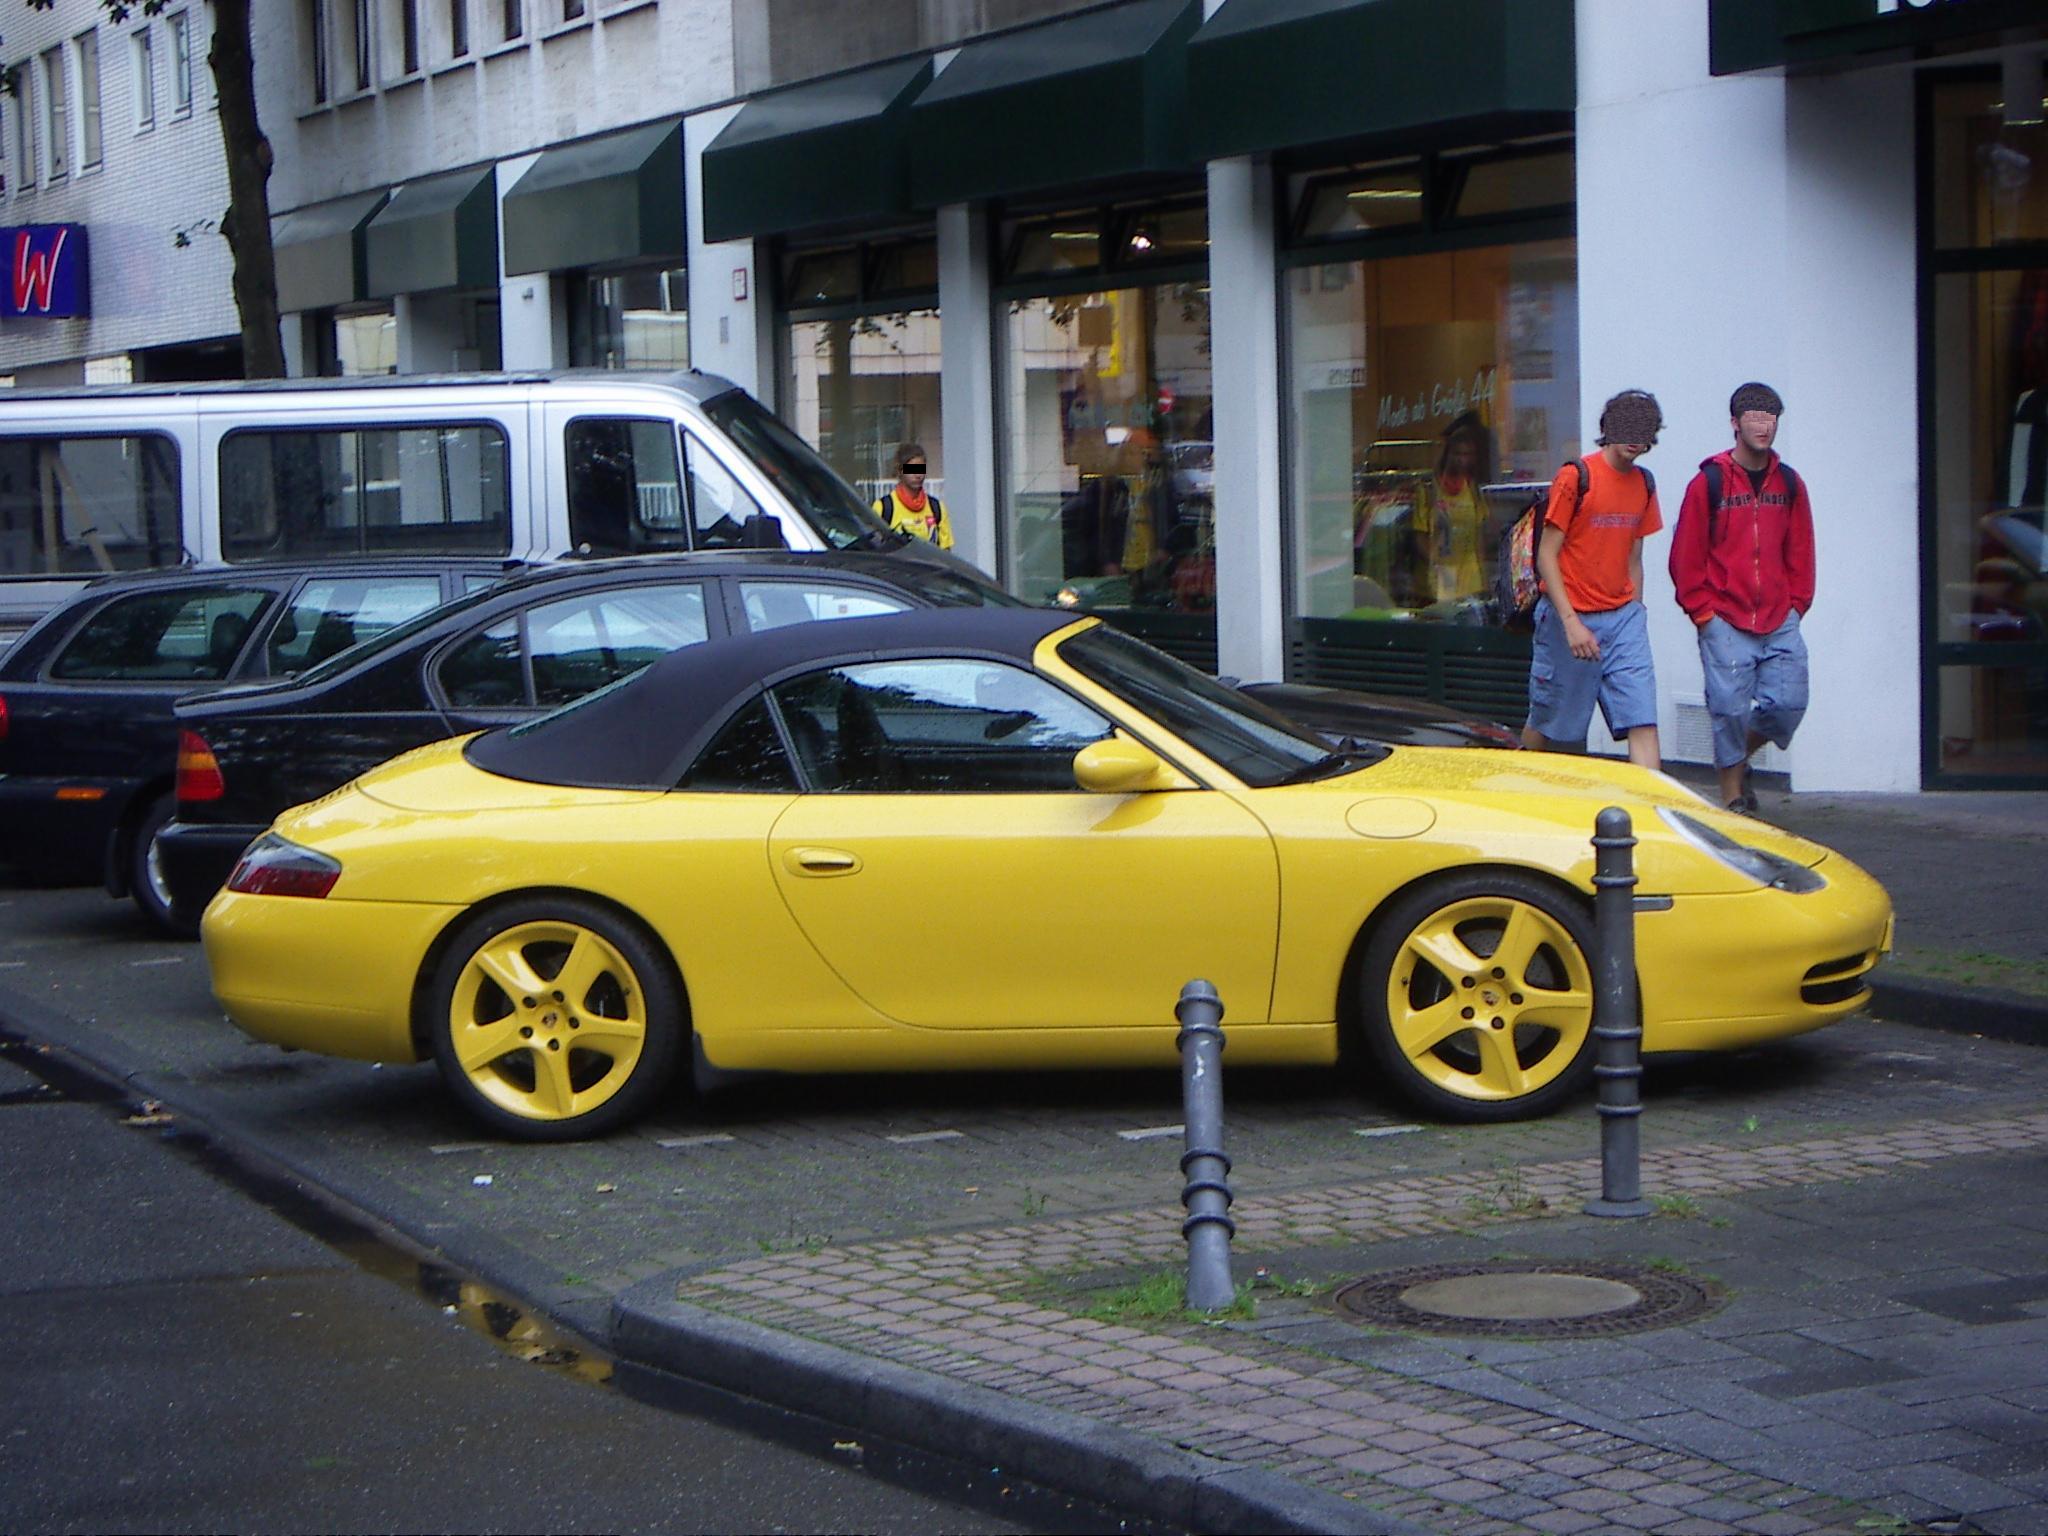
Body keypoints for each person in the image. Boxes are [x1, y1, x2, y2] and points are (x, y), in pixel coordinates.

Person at [1669, 382, 1815, 813]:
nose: (1762, 425)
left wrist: (1798, 603)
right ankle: (1732, 796)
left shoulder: (1789, 483)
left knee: (1788, 704)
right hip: (1724, 618)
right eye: (1752, 416)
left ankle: (1737, 760)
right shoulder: (1708, 483)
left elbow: (1802, 547)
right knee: (1728, 709)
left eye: (1769, 417)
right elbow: (1685, 555)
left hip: (1779, 615)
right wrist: (1702, 613)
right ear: (1735, 424)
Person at [1521, 389, 1666, 770]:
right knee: (1551, 725)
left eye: (1646, 430)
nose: (1636, 437)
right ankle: (1517, 774)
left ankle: (1653, 810)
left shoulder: (1644, 484)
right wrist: (1570, 623)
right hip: (1569, 615)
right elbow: (1546, 555)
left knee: (1643, 720)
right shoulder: (1576, 477)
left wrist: (1636, 611)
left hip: (1623, 618)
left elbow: (1635, 555)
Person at [1415, 412, 1495, 608]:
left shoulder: (1473, 488)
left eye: (1467, 454)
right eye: (1457, 453)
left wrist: (1484, 575)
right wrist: (1436, 565)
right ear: (1447, 454)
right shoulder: (1428, 489)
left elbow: (1479, 534)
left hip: (1470, 574)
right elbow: (1420, 537)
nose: (1462, 460)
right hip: (1442, 573)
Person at [873, 442, 952, 549]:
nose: (918, 475)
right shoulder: (884, 507)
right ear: (900, 471)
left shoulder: (937, 508)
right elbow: (873, 548)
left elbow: (945, 551)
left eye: (921, 469)